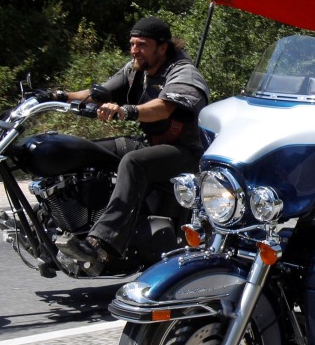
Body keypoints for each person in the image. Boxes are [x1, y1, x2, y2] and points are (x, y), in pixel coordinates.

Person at [53, 17, 209, 273]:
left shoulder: (182, 72)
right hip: (149, 144)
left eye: (142, 45)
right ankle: (62, 223)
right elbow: (98, 92)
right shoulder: (135, 69)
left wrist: (127, 111)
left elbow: (164, 108)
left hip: (185, 153)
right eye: (133, 44)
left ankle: (101, 243)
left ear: (163, 47)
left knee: (133, 162)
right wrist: (57, 95)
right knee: (86, 151)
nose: (135, 50)